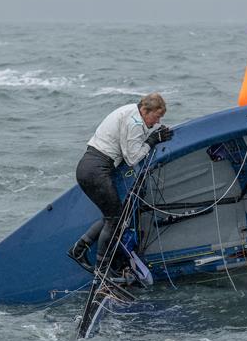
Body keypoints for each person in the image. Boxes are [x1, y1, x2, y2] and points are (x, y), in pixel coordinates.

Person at [68, 93, 173, 274]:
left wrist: (151, 135)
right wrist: (152, 139)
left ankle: (79, 249)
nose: (156, 122)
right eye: (156, 117)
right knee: (115, 219)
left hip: (89, 167)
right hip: (96, 170)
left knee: (114, 216)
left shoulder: (131, 112)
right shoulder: (134, 123)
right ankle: (102, 268)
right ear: (145, 110)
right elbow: (133, 158)